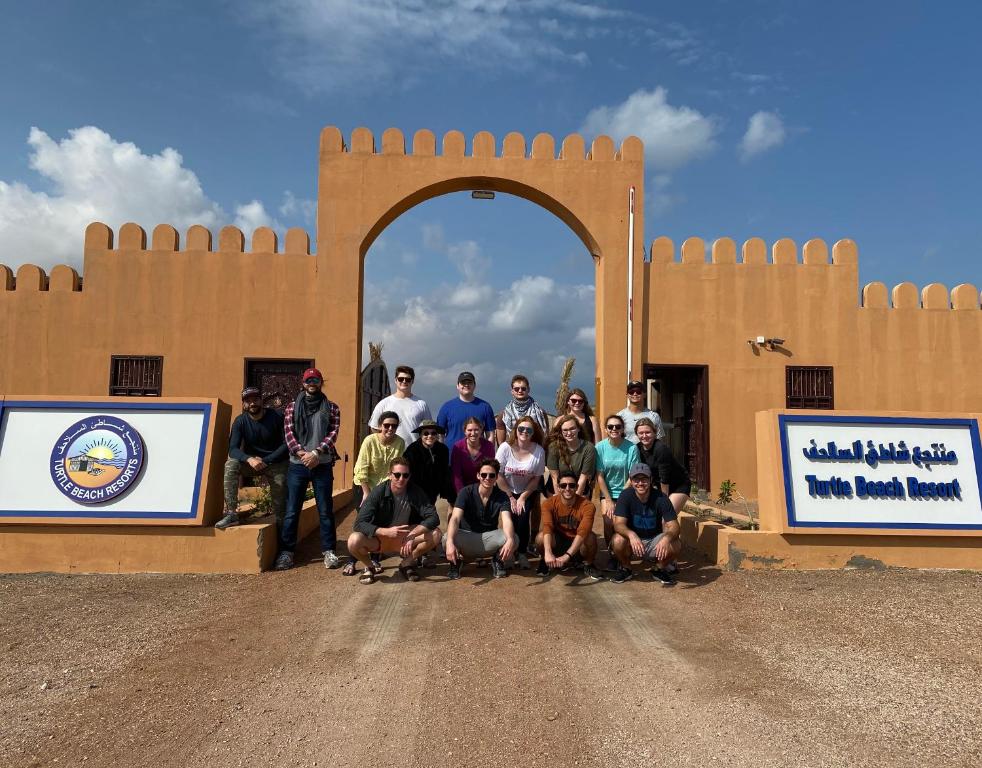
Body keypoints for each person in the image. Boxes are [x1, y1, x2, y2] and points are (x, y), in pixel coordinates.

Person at [275, 368, 342, 571]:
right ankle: (287, 552)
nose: (312, 383)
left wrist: (316, 453)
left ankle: (329, 551)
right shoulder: (291, 407)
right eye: (308, 380)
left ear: (321, 382)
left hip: (321, 465)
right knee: (292, 510)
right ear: (303, 383)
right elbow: (289, 434)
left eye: (316, 379)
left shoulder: (331, 407)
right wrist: (303, 454)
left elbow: (333, 433)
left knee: (325, 510)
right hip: (298, 465)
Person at [345, 458, 443, 584]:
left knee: (436, 534)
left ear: (409, 476)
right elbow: (359, 524)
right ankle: (370, 567)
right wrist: (384, 531)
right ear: (389, 475)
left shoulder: (415, 491)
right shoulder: (378, 492)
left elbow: (434, 517)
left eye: (405, 475)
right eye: (397, 475)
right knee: (353, 541)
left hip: (404, 537)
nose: (401, 479)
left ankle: (406, 564)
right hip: (380, 539)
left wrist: (413, 534)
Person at [217, 387, 289, 530]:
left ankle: (283, 532)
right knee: (231, 464)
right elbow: (233, 449)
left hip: (276, 463)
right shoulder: (240, 421)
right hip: (253, 464)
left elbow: (286, 444)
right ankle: (232, 513)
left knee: (281, 508)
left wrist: (266, 460)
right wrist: (249, 459)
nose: (252, 403)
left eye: (255, 399)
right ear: (244, 404)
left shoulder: (277, 416)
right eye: (248, 401)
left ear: (261, 400)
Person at [444, 458, 517, 580]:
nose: (487, 478)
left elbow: (507, 520)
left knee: (514, 538)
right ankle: (456, 563)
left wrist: (509, 539)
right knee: (447, 537)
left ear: (496, 477)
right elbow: (455, 518)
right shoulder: (465, 492)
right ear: (478, 475)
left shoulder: (502, 496)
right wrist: (450, 542)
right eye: (484, 474)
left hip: (488, 539)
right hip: (467, 538)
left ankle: (498, 560)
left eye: (491, 475)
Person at [609, 463, 681, 585]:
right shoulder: (625, 495)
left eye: (644, 479)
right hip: (632, 543)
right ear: (631, 481)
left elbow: (674, 525)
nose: (640, 483)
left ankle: (659, 568)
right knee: (617, 540)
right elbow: (618, 524)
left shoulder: (661, 498)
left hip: (654, 540)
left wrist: (666, 538)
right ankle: (626, 568)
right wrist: (631, 535)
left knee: (676, 543)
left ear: (651, 480)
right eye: (636, 479)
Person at [495, 415, 545, 569]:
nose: (524, 432)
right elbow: (497, 474)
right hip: (505, 489)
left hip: (526, 491)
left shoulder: (538, 451)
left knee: (523, 518)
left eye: (528, 430)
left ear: (533, 432)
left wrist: (522, 497)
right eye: (521, 428)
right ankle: (509, 552)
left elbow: (536, 479)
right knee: (508, 518)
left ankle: (522, 552)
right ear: (515, 430)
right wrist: (510, 496)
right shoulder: (505, 447)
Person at [535, 470, 603, 580]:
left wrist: (568, 556)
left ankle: (588, 564)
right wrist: (547, 552)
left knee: (590, 537)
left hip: (577, 543)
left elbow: (583, 531)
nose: (567, 489)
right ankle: (545, 560)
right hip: (558, 541)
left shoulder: (587, 506)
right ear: (558, 487)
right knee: (540, 537)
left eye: (571, 485)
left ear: (577, 487)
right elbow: (548, 526)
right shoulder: (548, 503)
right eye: (563, 485)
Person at [595, 413, 640, 566]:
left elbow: (633, 474)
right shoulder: (600, 447)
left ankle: (624, 551)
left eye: (618, 427)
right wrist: (608, 500)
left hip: (627, 492)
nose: (614, 429)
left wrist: (621, 498)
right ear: (606, 429)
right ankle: (612, 553)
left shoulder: (631, 448)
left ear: (622, 429)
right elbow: (599, 476)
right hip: (607, 492)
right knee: (608, 522)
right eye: (610, 427)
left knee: (622, 522)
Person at [367, 364, 432, 445]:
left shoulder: (421, 404)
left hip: (414, 452)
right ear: (395, 380)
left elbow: (429, 429)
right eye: (401, 379)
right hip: (391, 453)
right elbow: (374, 428)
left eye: (407, 379)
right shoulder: (384, 403)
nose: (404, 381)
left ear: (412, 381)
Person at [353, 411, 406, 504]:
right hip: (364, 486)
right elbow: (361, 468)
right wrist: (366, 493)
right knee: (365, 517)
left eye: (394, 426)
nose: (390, 428)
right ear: (380, 426)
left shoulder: (400, 442)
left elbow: (397, 468)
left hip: (385, 488)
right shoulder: (369, 441)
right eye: (386, 425)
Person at [436, 371, 496, 449]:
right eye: (463, 383)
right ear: (457, 386)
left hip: (479, 457)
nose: (466, 385)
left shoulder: (485, 407)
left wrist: (489, 454)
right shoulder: (446, 407)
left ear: (474, 385)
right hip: (452, 456)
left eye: (469, 382)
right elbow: (440, 435)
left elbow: (490, 435)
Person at [403, 420, 454, 505]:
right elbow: (407, 472)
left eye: (433, 433)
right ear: (420, 435)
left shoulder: (443, 449)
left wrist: (446, 491)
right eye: (426, 433)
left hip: (433, 492)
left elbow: (444, 471)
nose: (430, 436)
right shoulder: (412, 450)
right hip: (415, 491)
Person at [545, 414, 597, 497]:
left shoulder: (589, 448)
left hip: (579, 488)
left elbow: (583, 479)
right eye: (565, 430)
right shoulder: (553, 447)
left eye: (572, 428)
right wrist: (560, 501)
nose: (569, 433)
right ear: (561, 432)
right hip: (557, 488)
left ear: (578, 429)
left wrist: (574, 500)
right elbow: (555, 477)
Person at [495, 374, 549, 445]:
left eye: (523, 388)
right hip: (512, 450)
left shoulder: (540, 412)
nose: (520, 391)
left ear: (528, 389)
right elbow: (501, 443)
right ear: (512, 391)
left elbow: (545, 436)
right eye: (516, 389)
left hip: (534, 450)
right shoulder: (503, 415)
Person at [450, 416, 495, 494]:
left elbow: (490, 471)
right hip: (463, 487)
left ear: (481, 430)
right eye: (469, 430)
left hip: (483, 486)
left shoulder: (489, 446)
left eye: (476, 430)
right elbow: (456, 474)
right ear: (464, 431)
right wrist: (462, 495)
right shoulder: (458, 447)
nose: (473, 433)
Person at [618, 380, 665, 444]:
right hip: (627, 453)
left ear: (644, 394)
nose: (635, 394)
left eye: (638, 391)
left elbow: (659, 439)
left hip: (647, 453)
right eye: (631, 392)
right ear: (627, 395)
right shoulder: (620, 417)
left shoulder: (654, 416)